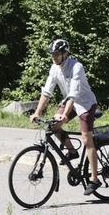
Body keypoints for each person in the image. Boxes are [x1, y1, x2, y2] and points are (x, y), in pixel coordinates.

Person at [30, 39, 102, 196]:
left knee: (86, 139)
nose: (54, 57)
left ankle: (95, 179)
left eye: (56, 54)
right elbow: (47, 92)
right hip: (70, 103)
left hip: (85, 104)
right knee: (53, 126)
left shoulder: (76, 67)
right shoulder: (55, 68)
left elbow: (74, 94)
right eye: (52, 55)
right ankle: (72, 151)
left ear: (65, 54)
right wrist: (38, 112)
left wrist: (64, 115)